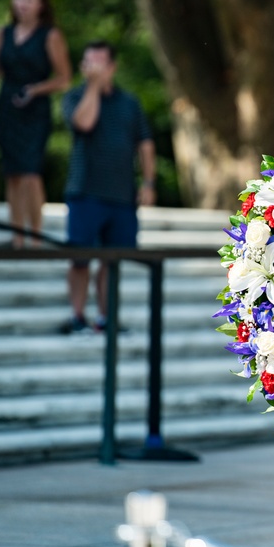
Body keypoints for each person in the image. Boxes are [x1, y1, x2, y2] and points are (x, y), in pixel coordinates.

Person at [59, 41, 155, 334]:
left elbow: (145, 143)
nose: (94, 69)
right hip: (85, 192)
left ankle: (106, 318)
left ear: (112, 67)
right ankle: (77, 317)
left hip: (122, 196)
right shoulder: (75, 96)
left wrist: (148, 182)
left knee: (113, 261)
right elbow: (84, 123)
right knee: (80, 259)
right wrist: (93, 87)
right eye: (89, 63)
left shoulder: (129, 102)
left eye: (100, 63)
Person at [0, 0, 71, 248]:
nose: (23, 4)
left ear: (41, 4)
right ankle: (17, 236)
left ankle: (35, 236)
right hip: (7, 106)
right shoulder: (2, 33)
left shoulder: (50, 35)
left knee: (30, 172)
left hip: (34, 108)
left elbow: (64, 78)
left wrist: (36, 90)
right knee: (12, 172)